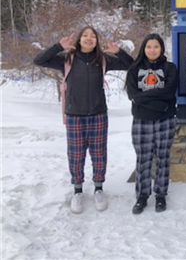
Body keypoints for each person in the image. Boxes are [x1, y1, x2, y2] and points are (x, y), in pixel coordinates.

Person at [33, 26, 133, 214]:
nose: (89, 38)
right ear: (79, 40)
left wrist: (119, 52)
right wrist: (57, 47)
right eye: (85, 36)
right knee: (76, 155)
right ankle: (77, 191)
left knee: (99, 153)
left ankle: (98, 188)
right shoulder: (67, 59)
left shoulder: (102, 59)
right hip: (74, 115)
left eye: (93, 36)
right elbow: (39, 60)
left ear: (96, 41)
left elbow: (131, 64)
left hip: (98, 114)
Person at [126, 34, 178, 215]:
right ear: (144, 48)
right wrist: (158, 100)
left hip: (166, 120)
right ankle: (142, 196)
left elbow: (170, 92)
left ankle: (161, 195)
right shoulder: (134, 69)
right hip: (141, 121)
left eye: (156, 46)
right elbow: (132, 95)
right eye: (149, 46)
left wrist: (144, 98)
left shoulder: (170, 68)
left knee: (163, 158)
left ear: (162, 49)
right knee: (143, 160)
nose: (152, 50)